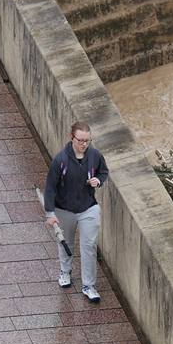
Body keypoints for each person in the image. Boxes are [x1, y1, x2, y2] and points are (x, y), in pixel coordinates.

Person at [43, 122, 109, 303]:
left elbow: (104, 172)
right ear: (71, 138)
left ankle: (89, 285)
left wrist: (99, 181)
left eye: (87, 141)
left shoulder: (95, 156)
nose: (84, 144)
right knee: (67, 244)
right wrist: (50, 213)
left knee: (89, 246)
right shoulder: (60, 160)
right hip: (64, 209)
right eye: (80, 140)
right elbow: (50, 188)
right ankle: (65, 272)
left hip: (89, 208)